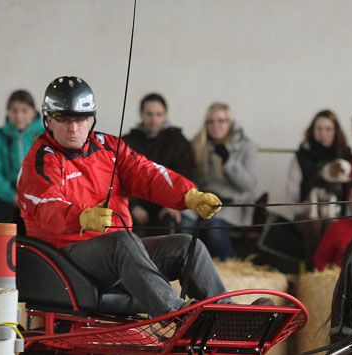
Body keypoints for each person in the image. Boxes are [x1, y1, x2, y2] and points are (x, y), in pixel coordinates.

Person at [16, 76, 231, 318]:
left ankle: (228, 318)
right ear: (48, 120)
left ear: (91, 119)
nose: (73, 128)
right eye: (63, 120)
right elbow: (43, 205)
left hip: (120, 254)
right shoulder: (42, 159)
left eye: (80, 119)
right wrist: (82, 217)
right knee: (123, 242)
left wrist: (189, 195)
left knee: (187, 246)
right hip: (67, 256)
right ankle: (178, 317)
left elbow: (146, 173)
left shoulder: (108, 147)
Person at [183, 103, 259, 260]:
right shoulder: (198, 145)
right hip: (203, 201)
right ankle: (184, 268)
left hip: (233, 205)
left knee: (214, 230)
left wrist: (228, 161)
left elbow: (249, 185)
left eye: (221, 121)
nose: (215, 126)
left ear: (230, 123)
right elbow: (193, 179)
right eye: (211, 121)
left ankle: (229, 267)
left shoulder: (246, 146)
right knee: (184, 225)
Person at [122, 93, 196, 237]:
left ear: (165, 114)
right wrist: (132, 206)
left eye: (158, 114)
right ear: (141, 114)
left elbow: (185, 175)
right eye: (149, 114)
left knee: (174, 226)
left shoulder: (178, 141)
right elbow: (119, 177)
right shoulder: (128, 142)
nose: (154, 119)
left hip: (168, 205)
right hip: (136, 205)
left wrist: (172, 204)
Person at [284, 110, 352, 260]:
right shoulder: (301, 157)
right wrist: (305, 207)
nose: (323, 134)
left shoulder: (346, 156)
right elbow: (291, 195)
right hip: (307, 211)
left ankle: (334, 268)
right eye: (319, 129)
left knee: (333, 225)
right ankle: (313, 266)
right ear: (312, 131)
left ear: (336, 132)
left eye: (328, 129)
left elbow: (350, 191)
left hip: (337, 211)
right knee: (314, 224)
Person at [0, 89, 46, 228]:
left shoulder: (46, 137)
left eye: (24, 111)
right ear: (8, 112)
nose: (19, 116)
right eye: (14, 111)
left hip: (37, 193)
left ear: (33, 112)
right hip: (3, 195)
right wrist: (12, 196)